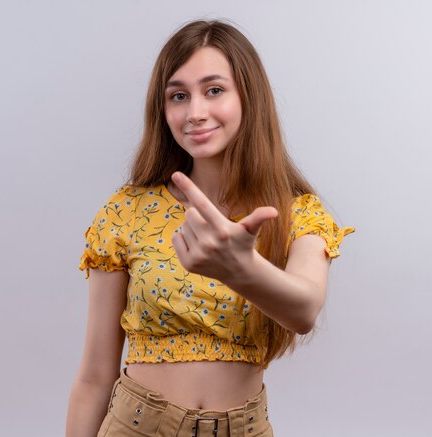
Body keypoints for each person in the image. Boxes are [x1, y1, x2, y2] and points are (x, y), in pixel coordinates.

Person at [66, 19, 354, 437]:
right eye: (178, 96)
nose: (195, 112)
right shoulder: (126, 211)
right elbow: (94, 377)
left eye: (214, 90)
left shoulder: (296, 213)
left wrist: (239, 267)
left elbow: (304, 309)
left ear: (248, 98)